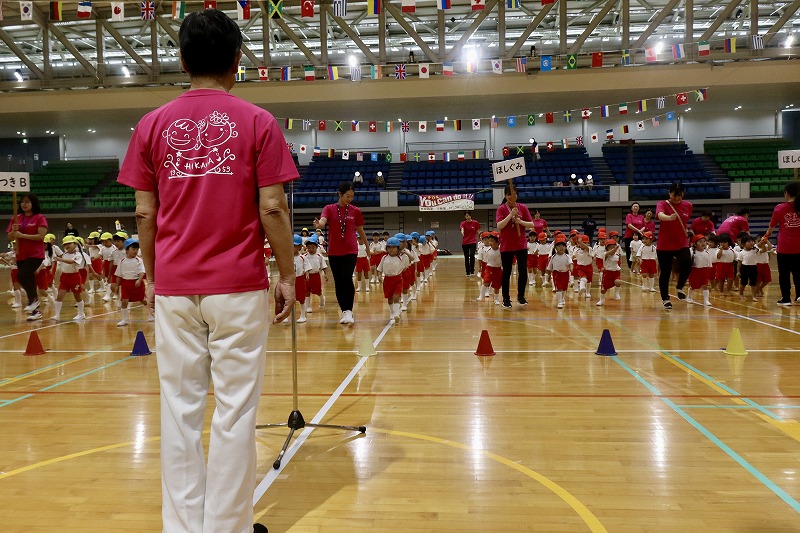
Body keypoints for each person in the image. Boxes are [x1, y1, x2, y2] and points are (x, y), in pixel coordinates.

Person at [116, 9, 297, 533]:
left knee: (179, 413)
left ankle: (182, 527)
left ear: (182, 60)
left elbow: (144, 214)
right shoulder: (258, 121)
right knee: (235, 413)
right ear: (237, 60)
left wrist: (154, 277)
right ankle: (227, 527)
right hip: (238, 287)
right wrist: (288, 275)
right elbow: (273, 207)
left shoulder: (151, 125)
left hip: (175, 288)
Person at [313, 181, 369, 324]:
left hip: (350, 250)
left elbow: (360, 229)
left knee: (346, 277)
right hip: (334, 251)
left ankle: (349, 310)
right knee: (338, 281)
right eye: (347, 196)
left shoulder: (355, 211)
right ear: (340, 194)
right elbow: (323, 221)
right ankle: (344, 311)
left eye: (352, 196)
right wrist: (319, 224)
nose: (350, 199)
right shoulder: (329, 208)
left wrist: (367, 246)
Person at [6, 193, 48, 321]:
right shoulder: (16, 218)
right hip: (21, 254)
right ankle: (36, 311)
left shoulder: (40, 218)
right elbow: (10, 237)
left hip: (35, 254)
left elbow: (41, 236)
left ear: (33, 204)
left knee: (22, 275)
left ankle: (34, 301)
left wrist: (22, 235)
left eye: (27, 202)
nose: (24, 204)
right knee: (29, 280)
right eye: (22, 202)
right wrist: (13, 231)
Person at [496, 184, 535, 309]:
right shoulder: (501, 209)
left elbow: (531, 224)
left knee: (522, 271)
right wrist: (510, 215)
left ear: (516, 195)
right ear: (505, 195)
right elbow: (499, 226)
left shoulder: (522, 207)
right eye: (509, 194)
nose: (512, 196)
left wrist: (520, 221)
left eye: (514, 194)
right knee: (506, 272)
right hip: (506, 245)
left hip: (521, 244)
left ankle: (521, 296)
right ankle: (506, 299)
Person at [762, 182, 800, 305]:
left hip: (785, 247)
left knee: (784, 274)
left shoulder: (780, 208)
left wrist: (766, 236)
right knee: (798, 273)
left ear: (786, 193)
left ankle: (786, 298)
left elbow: (771, 226)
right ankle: (799, 296)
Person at [656, 183, 693, 309]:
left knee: (687, 262)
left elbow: (685, 221)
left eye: (679, 195)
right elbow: (660, 215)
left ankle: (680, 286)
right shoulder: (662, 204)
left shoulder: (688, 205)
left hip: (681, 242)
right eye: (674, 195)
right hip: (664, 244)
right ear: (669, 193)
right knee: (665, 272)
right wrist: (669, 218)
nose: (677, 198)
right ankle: (665, 299)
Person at [51, 235, 86, 321]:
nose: (67, 245)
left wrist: (60, 259)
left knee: (77, 296)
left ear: (75, 244)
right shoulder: (65, 254)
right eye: (65, 244)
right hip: (65, 277)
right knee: (59, 296)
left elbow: (71, 262)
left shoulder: (78, 254)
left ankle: (81, 314)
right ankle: (57, 315)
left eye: (69, 243)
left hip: (74, 277)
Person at [115, 238, 149, 326]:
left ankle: (152, 314)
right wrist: (117, 286)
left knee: (143, 300)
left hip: (137, 283)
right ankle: (124, 320)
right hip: (125, 284)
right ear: (126, 250)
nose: (135, 251)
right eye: (133, 249)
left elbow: (142, 272)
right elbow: (118, 275)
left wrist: (139, 279)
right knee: (124, 302)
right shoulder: (122, 261)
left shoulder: (139, 260)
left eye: (137, 249)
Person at [686, 234, 713, 306]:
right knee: (693, 286)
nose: (703, 243)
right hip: (695, 271)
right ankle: (689, 297)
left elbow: (709, 263)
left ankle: (706, 300)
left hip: (704, 271)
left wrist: (708, 269)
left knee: (705, 285)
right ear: (695, 244)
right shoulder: (692, 252)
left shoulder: (707, 253)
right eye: (700, 242)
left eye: (704, 241)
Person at [596, 239, 622, 306]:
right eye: (610, 247)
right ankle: (601, 300)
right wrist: (615, 249)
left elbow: (618, 261)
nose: (612, 249)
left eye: (613, 247)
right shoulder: (605, 254)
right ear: (607, 248)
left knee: (618, 282)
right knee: (603, 289)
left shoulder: (617, 254)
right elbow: (611, 252)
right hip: (607, 273)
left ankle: (617, 293)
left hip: (616, 272)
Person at [623, 203, 645, 269]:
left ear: (639, 208)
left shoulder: (641, 217)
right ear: (631, 208)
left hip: (639, 237)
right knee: (630, 252)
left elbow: (644, 226)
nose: (636, 207)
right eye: (634, 206)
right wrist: (638, 230)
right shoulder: (629, 216)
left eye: (637, 206)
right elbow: (629, 225)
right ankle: (631, 267)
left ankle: (639, 267)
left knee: (640, 251)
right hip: (629, 237)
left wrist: (640, 231)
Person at [460, 211, 481, 277]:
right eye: (466, 216)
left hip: (473, 241)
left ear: (471, 216)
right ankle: (467, 272)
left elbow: (477, 231)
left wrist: (480, 237)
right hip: (465, 242)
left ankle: (472, 270)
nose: (468, 217)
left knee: (472, 255)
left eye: (469, 215)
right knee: (466, 257)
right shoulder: (463, 223)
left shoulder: (475, 222)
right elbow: (462, 229)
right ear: (465, 217)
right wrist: (462, 232)